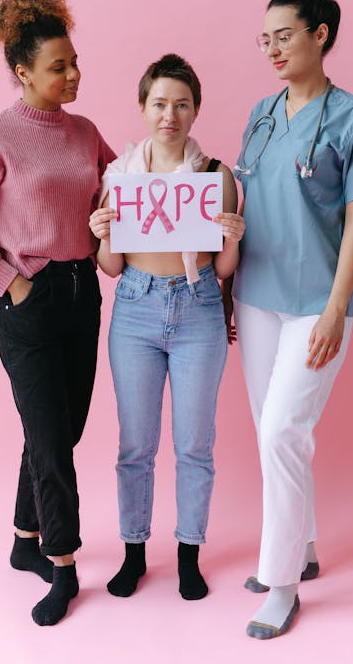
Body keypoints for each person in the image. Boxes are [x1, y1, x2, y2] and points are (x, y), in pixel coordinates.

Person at [0, 0, 115, 626]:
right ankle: (62, 565)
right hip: (30, 304)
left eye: (75, 63)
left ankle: (23, 540)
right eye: (58, 67)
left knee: (60, 432)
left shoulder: (86, 131)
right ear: (23, 73)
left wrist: (199, 189)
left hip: (83, 296)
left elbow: (123, 191)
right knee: (51, 442)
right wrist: (10, 283)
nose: (73, 75)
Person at [230, 0, 353, 638]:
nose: (271, 49)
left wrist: (335, 307)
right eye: (264, 38)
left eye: (285, 36)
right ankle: (309, 546)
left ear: (321, 36)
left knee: (281, 433)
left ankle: (282, 585)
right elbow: (244, 206)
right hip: (257, 296)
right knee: (279, 439)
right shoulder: (261, 115)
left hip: (314, 303)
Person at [89, 54, 245, 600]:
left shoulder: (214, 175)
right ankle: (133, 552)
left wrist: (233, 236)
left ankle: (188, 554)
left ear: (196, 110)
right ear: (142, 107)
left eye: (181, 104)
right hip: (135, 306)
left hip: (199, 304)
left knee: (195, 444)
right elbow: (111, 267)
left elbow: (223, 268)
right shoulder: (120, 177)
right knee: (135, 444)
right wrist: (101, 232)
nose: (170, 115)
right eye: (160, 103)